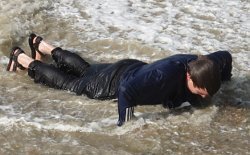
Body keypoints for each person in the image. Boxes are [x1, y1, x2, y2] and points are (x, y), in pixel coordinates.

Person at [6, 33, 232, 126]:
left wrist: (227, 78)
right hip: (109, 85)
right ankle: (22, 58)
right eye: (200, 91)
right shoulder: (162, 76)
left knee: (86, 69)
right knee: (70, 84)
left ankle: (41, 44)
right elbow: (126, 91)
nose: (204, 95)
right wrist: (127, 125)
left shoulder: (206, 64)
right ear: (188, 75)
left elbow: (226, 56)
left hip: (128, 67)